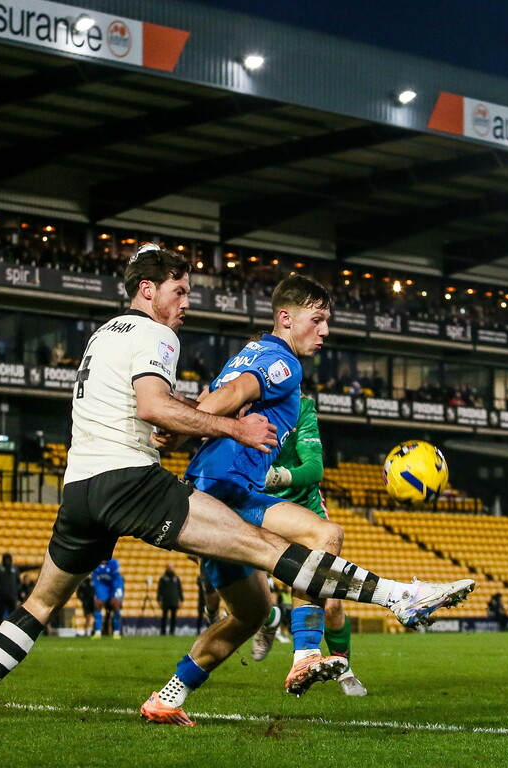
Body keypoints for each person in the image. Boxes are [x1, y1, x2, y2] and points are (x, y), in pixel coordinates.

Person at [0, 244, 473, 730]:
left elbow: (152, 409)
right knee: (279, 546)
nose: (186, 302)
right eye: (179, 291)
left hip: (79, 489)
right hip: (131, 483)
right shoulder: (157, 333)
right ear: (148, 291)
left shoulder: (102, 334)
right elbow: (155, 405)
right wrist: (232, 426)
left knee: (41, 603)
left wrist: (180, 420)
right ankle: (400, 597)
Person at [146, 275, 368, 711]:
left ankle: (168, 697)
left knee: (248, 616)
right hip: (227, 494)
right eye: (317, 319)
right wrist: (177, 423)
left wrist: (182, 424)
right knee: (324, 536)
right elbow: (232, 394)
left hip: (209, 492)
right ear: (286, 318)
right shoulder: (282, 362)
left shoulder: (249, 352)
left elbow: (216, 398)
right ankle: (305, 655)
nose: (324, 331)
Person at [257, 393, 367, 696]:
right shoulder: (237, 401)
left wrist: (277, 476)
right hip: (258, 511)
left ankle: (344, 669)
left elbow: (315, 468)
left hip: (306, 512)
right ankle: (269, 621)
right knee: (243, 599)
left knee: (330, 603)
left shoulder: (301, 406)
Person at [91, 558, 124, 639]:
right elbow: (96, 581)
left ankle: (116, 632)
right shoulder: (94, 565)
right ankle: (98, 632)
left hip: (115, 584)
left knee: (115, 604)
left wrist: (116, 595)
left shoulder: (113, 563)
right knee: (97, 604)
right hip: (102, 586)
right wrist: (98, 593)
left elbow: (116, 579)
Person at [0, 553, 21, 625]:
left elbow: (18, 582)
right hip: (1, 596)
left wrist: (15, 591)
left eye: (8, 559)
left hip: (12, 596)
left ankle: (12, 631)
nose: (7, 561)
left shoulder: (15, 569)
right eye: (6, 559)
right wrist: (0, 589)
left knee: (13, 615)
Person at [157, 564, 183, 636]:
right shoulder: (163, 578)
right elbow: (159, 590)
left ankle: (172, 631)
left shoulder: (176, 578)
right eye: (169, 567)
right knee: (164, 617)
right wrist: (159, 600)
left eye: (171, 567)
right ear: (166, 568)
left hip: (174, 601)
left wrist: (181, 599)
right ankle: (163, 632)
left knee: (173, 618)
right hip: (165, 601)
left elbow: (180, 589)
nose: (170, 568)